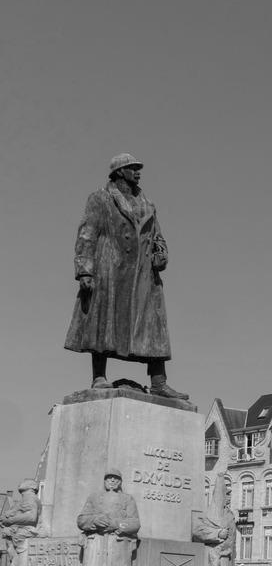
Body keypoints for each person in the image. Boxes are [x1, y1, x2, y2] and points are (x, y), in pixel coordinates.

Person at [64, 154, 187, 399]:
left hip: (143, 275)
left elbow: (157, 237)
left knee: (154, 325)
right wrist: (85, 270)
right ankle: (99, 377)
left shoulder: (148, 204)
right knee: (102, 321)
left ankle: (159, 382)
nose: (139, 172)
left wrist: (161, 253)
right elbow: (87, 234)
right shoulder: (100, 198)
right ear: (120, 172)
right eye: (133, 168)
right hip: (110, 269)